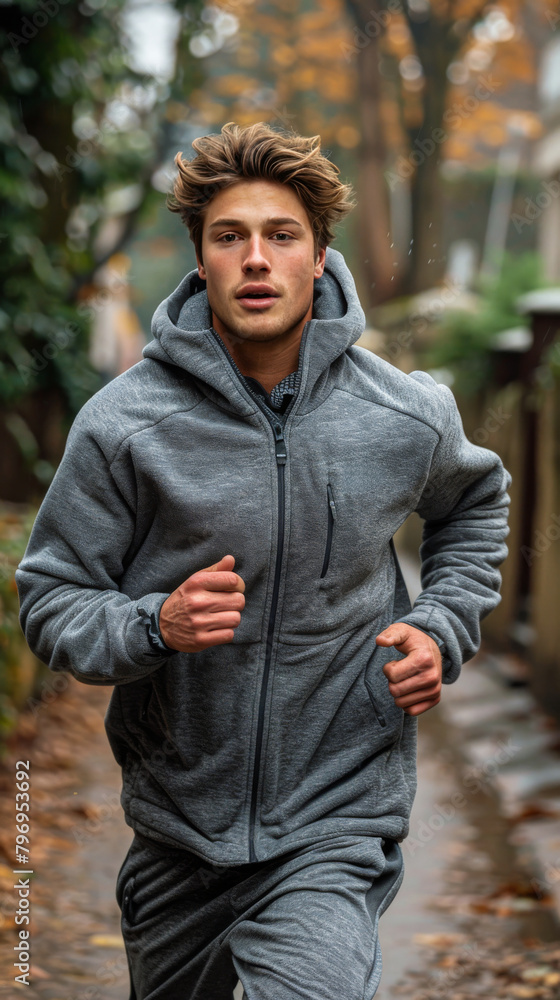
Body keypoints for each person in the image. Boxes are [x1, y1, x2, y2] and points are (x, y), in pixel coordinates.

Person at [16, 121, 511, 1000]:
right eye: (229, 236)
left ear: (319, 257)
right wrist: (152, 624)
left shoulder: (405, 413)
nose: (256, 259)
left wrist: (440, 626)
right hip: (177, 827)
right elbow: (52, 599)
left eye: (281, 236)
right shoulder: (123, 425)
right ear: (199, 259)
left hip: (336, 816)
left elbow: (473, 505)